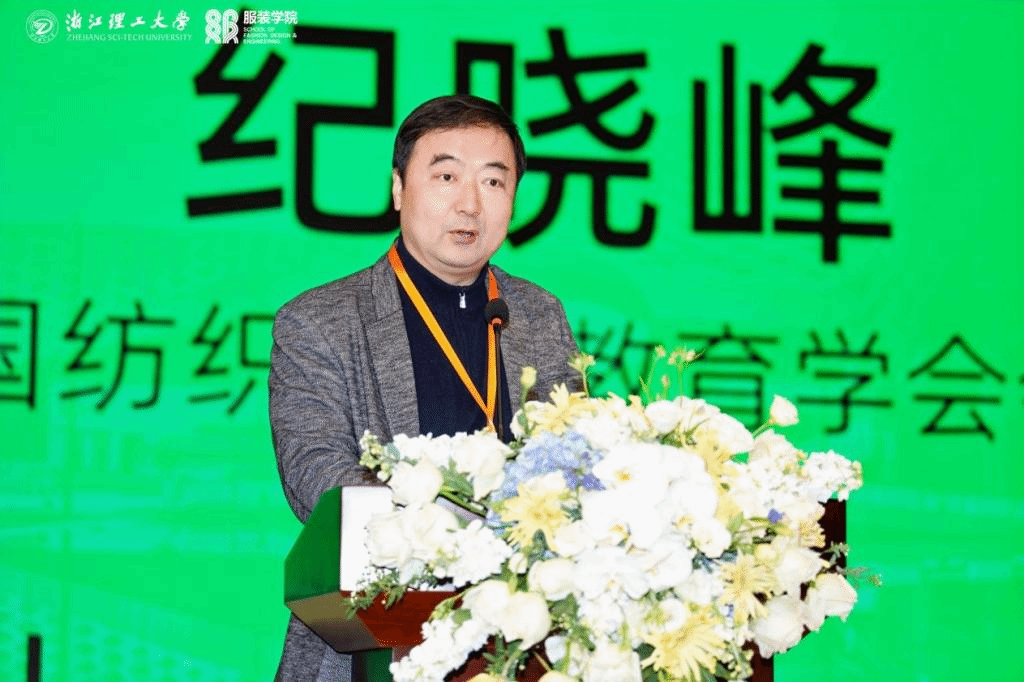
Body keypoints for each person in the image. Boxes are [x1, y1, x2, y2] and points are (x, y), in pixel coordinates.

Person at [268, 94, 581, 682]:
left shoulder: (538, 314)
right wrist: (462, 532)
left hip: (526, 643)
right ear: (398, 189)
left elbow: (576, 459)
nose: (470, 203)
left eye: (494, 181)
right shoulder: (319, 320)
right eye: (446, 176)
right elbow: (316, 477)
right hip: (371, 644)